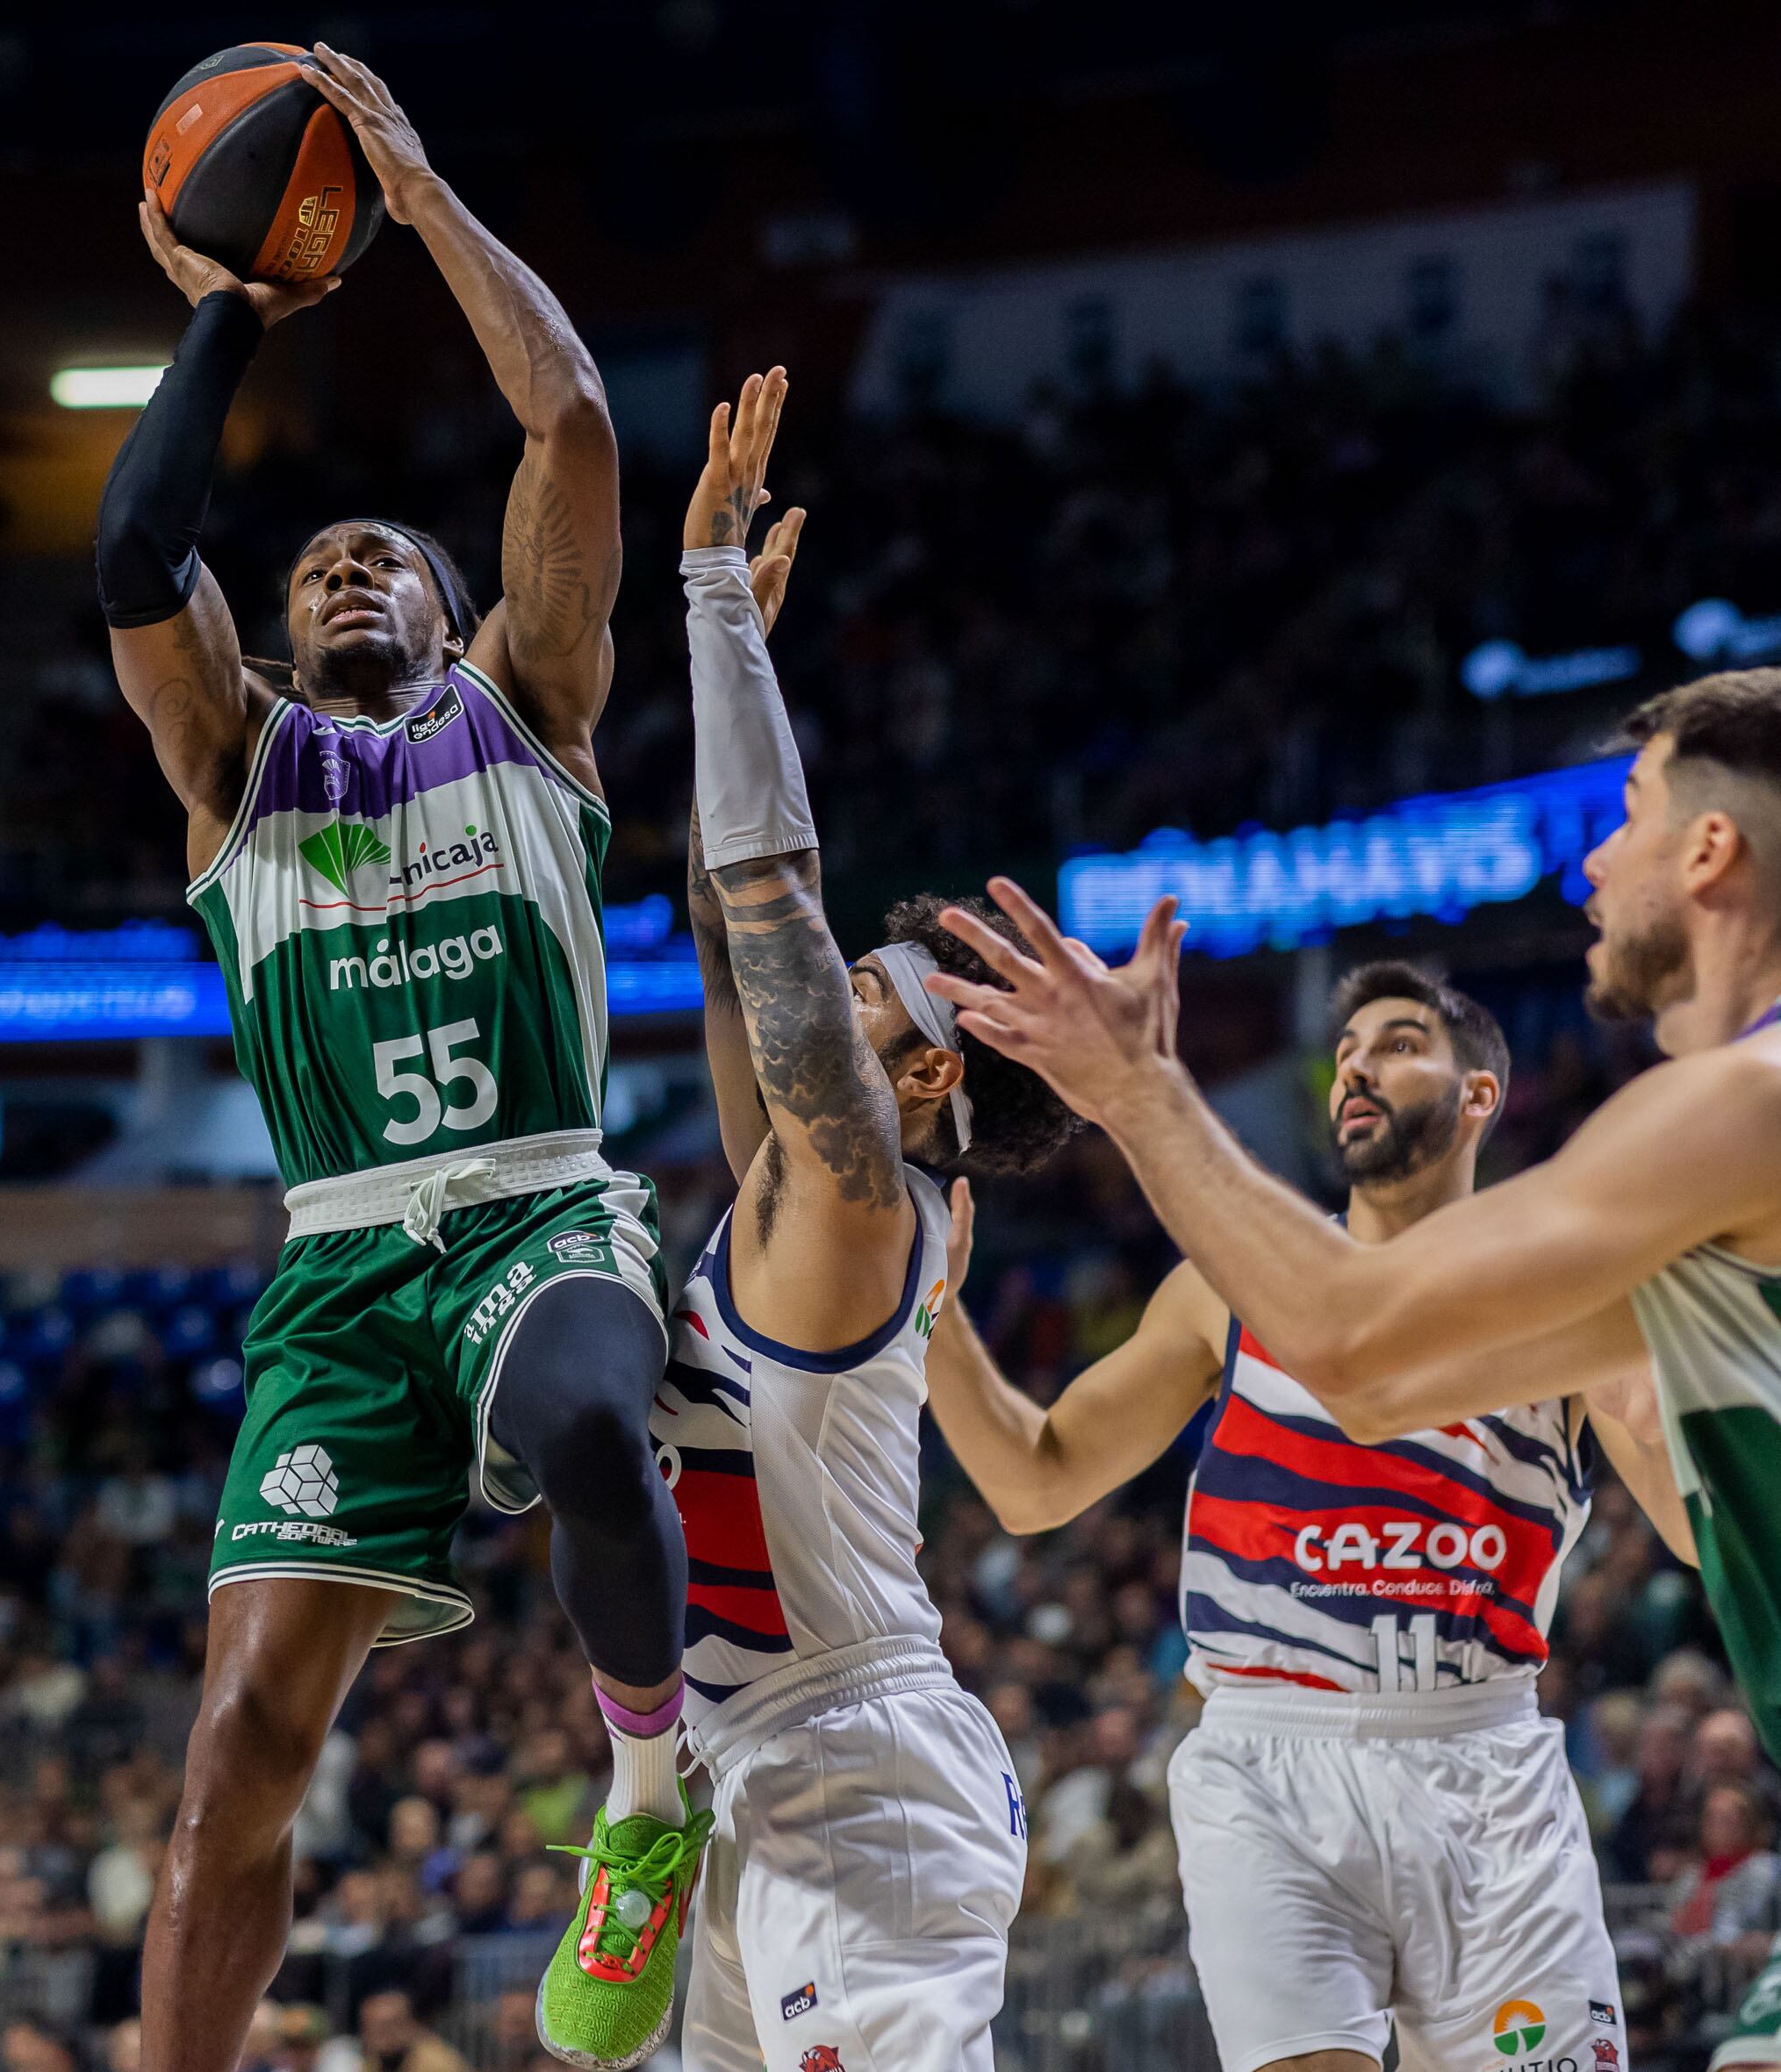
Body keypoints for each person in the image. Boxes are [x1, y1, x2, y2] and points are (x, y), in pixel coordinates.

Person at [95, 45, 699, 2072]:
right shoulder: (235, 764)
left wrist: (421, 200)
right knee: (233, 1756)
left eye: (388, 556)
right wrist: (218, 318)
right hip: (342, 1270)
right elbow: (126, 557)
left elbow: (574, 419)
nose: (350, 565)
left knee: (603, 1436)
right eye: (315, 563)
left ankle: (642, 1794)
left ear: (463, 613)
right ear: (277, 633)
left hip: (538, 1198)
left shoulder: (529, 706)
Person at [924, 667, 1781, 2065]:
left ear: (1707, 848)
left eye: (1624, 811)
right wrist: (933, 1312)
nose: (1591, 859)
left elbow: (1358, 1341)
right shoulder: (1626, 1250)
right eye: (1347, 1049)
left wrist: (1140, 1090)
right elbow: (1366, 1372)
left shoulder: (1722, 1121)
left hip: (1482, 1748)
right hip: (1275, 1749)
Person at [656, 370, 1080, 2072]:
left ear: (914, 1086)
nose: (826, 986)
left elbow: (768, 896)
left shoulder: (849, 1193)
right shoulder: (798, 1169)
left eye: (866, 995)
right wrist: (730, 672)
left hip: (855, 1767)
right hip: (756, 1764)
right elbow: (715, 921)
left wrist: (708, 606)